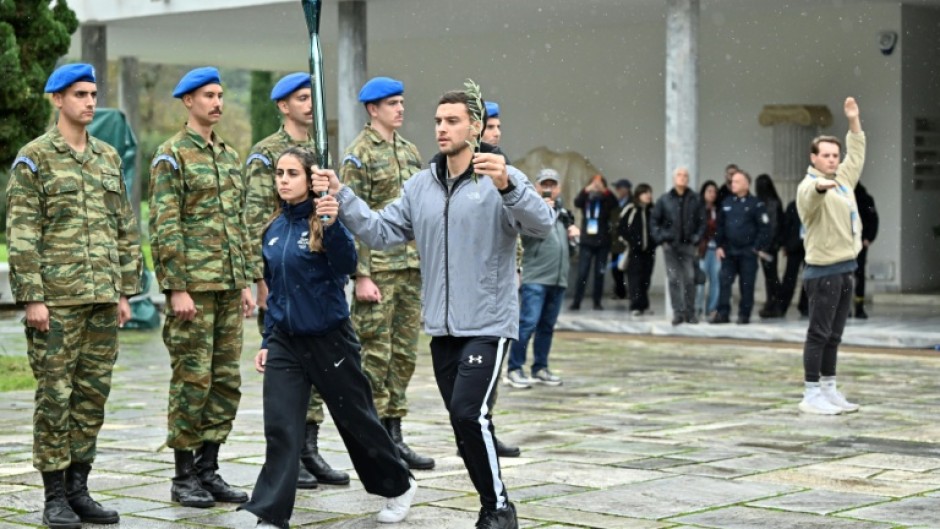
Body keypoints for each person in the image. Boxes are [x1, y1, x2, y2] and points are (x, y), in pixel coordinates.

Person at [312, 87, 555, 529]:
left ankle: (499, 509)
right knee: (463, 425)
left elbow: (542, 224)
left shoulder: (500, 178)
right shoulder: (420, 185)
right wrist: (342, 194)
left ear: (475, 127)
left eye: (452, 121)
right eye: (439, 121)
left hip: (488, 323)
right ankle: (492, 503)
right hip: (442, 328)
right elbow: (381, 231)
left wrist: (508, 185)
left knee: (469, 413)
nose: (442, 128)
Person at [242, 147, 416, 528]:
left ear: (311, 180)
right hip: (286, 341)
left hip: (329, 339)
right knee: (281, 427)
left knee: (357, 419)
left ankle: (399, 484)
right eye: (279, 173)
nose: (283, 180)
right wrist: (268, 341)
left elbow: (346, 264)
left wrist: (333, 225)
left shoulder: (325, 221)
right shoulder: (273, 229)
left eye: (292, 174)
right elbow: (276, 293)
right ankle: (270, 513)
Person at [6, 63, 141, 528]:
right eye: (80, 94)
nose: (89, 102)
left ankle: (79, 489)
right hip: (57, 302)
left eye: (93, 94)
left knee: (91, 397)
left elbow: (124, 226)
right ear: (57, 99)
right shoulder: (35, 158)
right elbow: (22, 232)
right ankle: (54, 497)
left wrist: (125, 290)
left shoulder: (107, 157)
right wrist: (33, 297)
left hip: (102, 297)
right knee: (55, 398)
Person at [149, 67, 256, 507]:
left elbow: (239, 223)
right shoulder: (171, 155)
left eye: (220, 95)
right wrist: (176, 288)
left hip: (228, 287)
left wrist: (245, 281)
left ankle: (208, 469)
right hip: (194, 289)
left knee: (226, 381)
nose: (217, 102)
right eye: (208, 95)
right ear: (188, 101)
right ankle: (182, 476)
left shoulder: (228, 156)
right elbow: (164, 224)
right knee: (192, 381)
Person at [244, 72, 349, 488]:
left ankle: (310, 448)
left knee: (319, 370)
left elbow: (332, 211)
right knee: (287, 373)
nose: (310, 104)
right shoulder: (266, 153)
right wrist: (261, 280)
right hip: (283, 275)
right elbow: (257, 218)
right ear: (283, 106)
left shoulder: (319, 151)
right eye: (301, 98)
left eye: (312, 97)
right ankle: (292, 455)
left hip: (316, 277)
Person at [341, 76, 434, 471]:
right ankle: (374, 440)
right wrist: (361, 274)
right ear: (372, 109)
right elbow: (351, 216)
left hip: (410, 267)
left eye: (401, 102)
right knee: (375, 357)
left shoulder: (410, 151)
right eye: (392, 103)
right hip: (378, 271)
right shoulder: (358, 154)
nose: (400, 109)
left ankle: (395, 435)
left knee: (404, 355)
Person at [796, 97, 865, 415]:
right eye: (826, 155)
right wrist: (820, 187)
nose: (832, 160)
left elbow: (857, 154)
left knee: (834, 335)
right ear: (814, 158)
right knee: (819, 333)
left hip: (846, 267)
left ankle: (829, 388)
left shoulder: (843, 181)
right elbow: (809, 199)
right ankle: (811, 393)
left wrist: (853, 120)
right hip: (823, 271)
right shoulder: (809, 185)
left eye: (835, 155)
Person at [506, 168, 578, 389]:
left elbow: (570, 251)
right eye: (544, 184)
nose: (548, 189)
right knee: (528, 324)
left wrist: (573, 237)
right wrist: (540, 214)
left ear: (559, 188)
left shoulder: (564, 214)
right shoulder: (529, 210)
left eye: (552, 185)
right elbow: (524, 240)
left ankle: (540, 368)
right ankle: (514, 369)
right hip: (535, 277)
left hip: (558, 279)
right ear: (536, 187)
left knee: (547, 326)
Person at [710, 170, 771, 325]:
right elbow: (720, 226)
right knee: (724, 282)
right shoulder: (727, 203)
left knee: (747, 284)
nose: (733, 184)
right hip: (728, 251)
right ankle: (722, 313)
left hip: (748, 252)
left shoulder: (756, 204)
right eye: (732, 181)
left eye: (737, 181)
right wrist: (719, 245)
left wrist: (757, 247)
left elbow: (764, 228)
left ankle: (744, 314)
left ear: (746, 184)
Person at [650, 167, 705, 325]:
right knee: (674, 279)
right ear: (674, 178)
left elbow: (702, 222)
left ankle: (690, 312)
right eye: (679, 175)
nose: (682, 178)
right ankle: (678, 313)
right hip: (670, 246)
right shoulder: (664, 200)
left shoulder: (695, 199)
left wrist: (696, 238)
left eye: (685, 175)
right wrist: (661, 238)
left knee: (689, 278)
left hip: (688, 246)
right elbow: (654, 221)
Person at [570, 174, 619, 311]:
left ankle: (597, 302)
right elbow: (577, 202)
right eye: (594, 183)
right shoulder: (587, 197)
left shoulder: (606, 198)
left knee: (599, 273)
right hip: (587, 241)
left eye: (599, 183)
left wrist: (604, 190)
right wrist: (587, 189)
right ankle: (576, 301)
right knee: (582, 272)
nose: (596, 186)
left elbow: (615, 204)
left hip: (603, 241)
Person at [618, 183, 656, 316]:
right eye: (645, 193)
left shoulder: (653, 210)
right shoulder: (631, 209)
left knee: (646, 278)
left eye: (649, 193)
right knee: (635, 278)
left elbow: (658, 227)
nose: (648, 195)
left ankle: (644, 305)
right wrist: (631, 242)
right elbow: (621, 228)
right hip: (635, 251)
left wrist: (655, 242)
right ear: (638, 195)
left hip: (649, 251)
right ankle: (635, 305)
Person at [754, 174, 785, 319]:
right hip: (771, 245)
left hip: (768, 246)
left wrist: (763, 244)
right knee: (771, 275)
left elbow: (771, 226)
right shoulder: (773, 202)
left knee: (771, 276)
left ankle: (774, 304)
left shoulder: (767, 203)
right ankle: (773, 303)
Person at [776, 199, 809, 318]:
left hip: (811, 246)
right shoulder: (793, 205)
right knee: (789, 278)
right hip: (794, 246)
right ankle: (782, 306)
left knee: (809, 278)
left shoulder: (817, 203)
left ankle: (805, 306)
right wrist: (784, 244)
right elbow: (786, 225)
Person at [695, 180, 721, 318]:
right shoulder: (698, 210)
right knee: (700, 280)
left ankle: (712, 308)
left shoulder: (718, 210)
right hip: (702, 249)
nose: (712, 194)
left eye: (714, 192)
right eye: (709, 191)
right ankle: (697, 307)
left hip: (716, 248)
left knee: (716, 280)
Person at [853, 182, 879, 318]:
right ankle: (851, 307)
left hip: (858, 241)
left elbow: (873, 220)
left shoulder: (864, 199)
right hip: (848, 241)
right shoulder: (844, 197)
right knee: (851, 274)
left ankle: (858, 306)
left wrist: (868, 237)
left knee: (857, 274)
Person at [610, 179, 633, 301]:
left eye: (619, 188)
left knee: (629, 269)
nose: (617, 191)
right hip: (616, 242)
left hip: (628, 242)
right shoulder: (615, 203)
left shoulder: (632, 203)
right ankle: (620, 292)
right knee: (616, 269)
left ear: (626, 189)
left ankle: (631, 292)